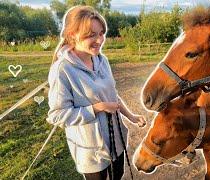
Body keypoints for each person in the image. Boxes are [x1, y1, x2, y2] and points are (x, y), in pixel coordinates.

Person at [47, 5, 146, 180]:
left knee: (119, 175)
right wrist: (96, 108)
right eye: (91, 35)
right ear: (72, 36)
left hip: (116, 141)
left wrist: (131, 116)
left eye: (101, 33)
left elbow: (112, 94)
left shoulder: (102, 60)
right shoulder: (62, 70)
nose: (100, 40)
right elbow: (57, 115)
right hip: (91, 151)